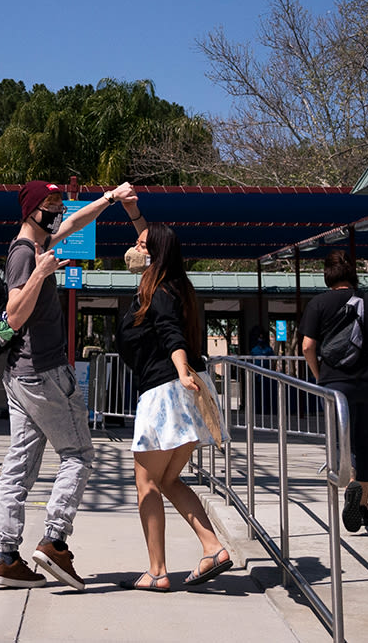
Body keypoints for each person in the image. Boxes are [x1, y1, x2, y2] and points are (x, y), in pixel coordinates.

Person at [0, 180, 142, 590]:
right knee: (78, 455)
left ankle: (5, 558)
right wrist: (39, 272)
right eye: (49, 204)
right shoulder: (25, 254)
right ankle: (54, 540)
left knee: (19, 466)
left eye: (58, 203)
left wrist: (109, 199)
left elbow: (76, 220)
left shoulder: (41, 241)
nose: (57, 210)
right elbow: (14, 315)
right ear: (30, 209)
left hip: (22, 376)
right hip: (44, 372)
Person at [116, 221, 234, 592]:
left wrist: (181, 369)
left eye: (139, 243)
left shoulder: (161, 290)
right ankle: (212, 548)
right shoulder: (176, 284)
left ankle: (157, 571)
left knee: (147, 484)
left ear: (156, 252)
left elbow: (171, 332)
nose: (133, 249)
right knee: (167, 479)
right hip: (186, 393)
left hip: (166, 391)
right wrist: (133, 209)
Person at [297, 252, 368, 534]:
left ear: (327, 276)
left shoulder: (318, 304)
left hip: (335, 384)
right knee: (365, 440)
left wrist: (319, 375)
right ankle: (363, 504)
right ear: (352, 274)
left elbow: (308, 346)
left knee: (341, 442)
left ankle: (351, 481)